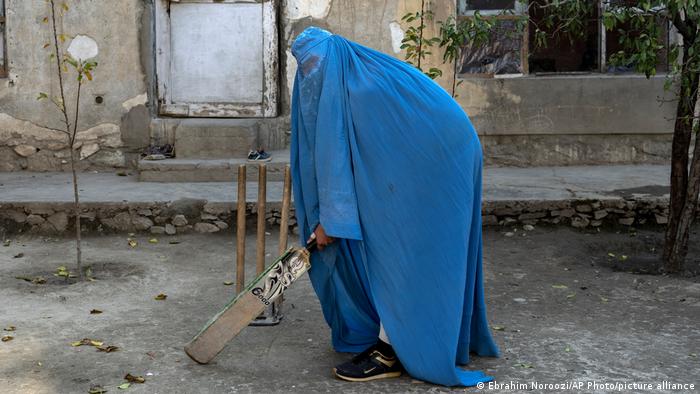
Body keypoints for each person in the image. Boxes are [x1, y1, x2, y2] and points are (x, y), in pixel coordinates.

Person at [290, 26, 500, 387]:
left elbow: (341, 164)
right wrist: (331, 221)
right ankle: (414, 335)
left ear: (334, 56)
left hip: (440, 156)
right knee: (395, 243)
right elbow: (349, 160)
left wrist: (330, 223)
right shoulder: (352, 74)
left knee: (404, 249)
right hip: (430, 147)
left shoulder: (362, 89)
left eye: (314, 63)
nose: (310, 73)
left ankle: (390, 351)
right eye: (303, 67)